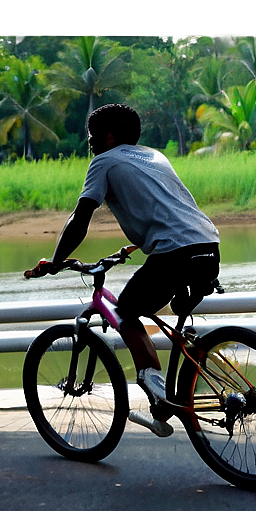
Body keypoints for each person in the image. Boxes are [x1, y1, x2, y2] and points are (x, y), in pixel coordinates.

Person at [29, 104, 220, 436]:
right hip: (208, 245)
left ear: (110, 137)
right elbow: (165, 206)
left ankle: (154, 385)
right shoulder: (154, 156)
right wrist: (135, 246)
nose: (89, 143)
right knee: (175, 314)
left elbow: (81, 218)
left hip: (173, 252)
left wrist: (57, 260)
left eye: (92, 137)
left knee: (126, 311)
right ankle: (177, 407)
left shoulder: (103, 160)